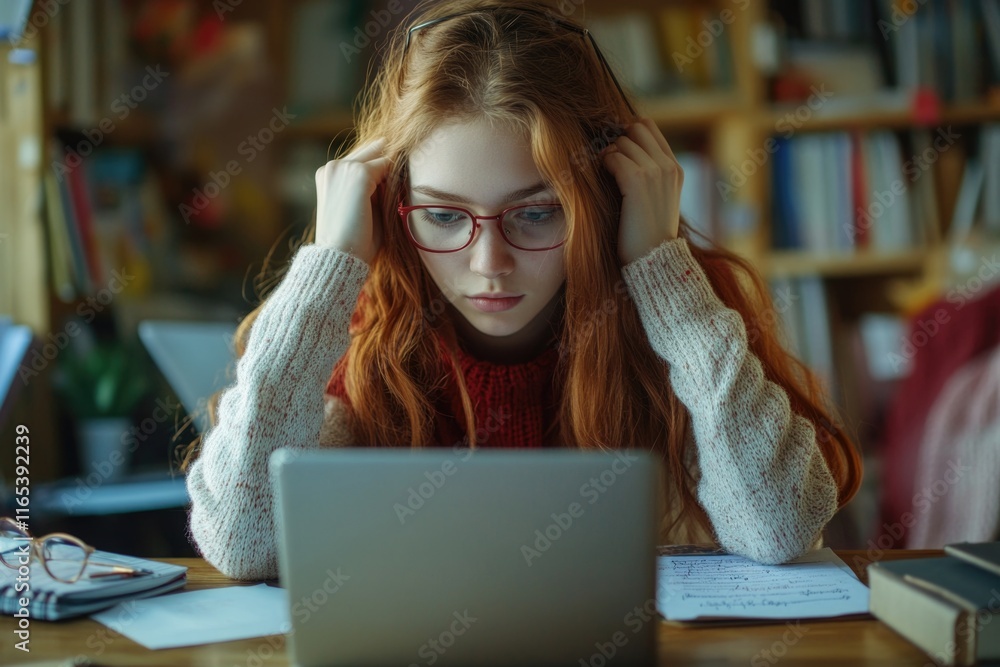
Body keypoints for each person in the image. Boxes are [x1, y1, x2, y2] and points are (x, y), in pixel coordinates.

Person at [182, 0, 862, 581]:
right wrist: (329, 263)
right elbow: (243, 542)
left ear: (602, 201)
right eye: (444, 215)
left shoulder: (679, 313)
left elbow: (779, 527)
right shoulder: (368, 334)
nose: (489, 262)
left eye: (536, 212)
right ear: (391, 203)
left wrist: (662, 270)